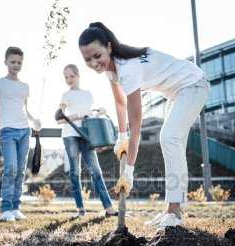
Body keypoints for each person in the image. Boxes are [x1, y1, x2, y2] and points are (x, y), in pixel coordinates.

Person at [78, 22, 210, 229]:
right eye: (87, 59)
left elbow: (136, 128)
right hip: (176, 94)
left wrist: (128, 171)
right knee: (173, 144)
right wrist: (121, 137)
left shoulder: (128, 69)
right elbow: (120, 103)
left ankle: (174, 213)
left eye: (97, 56)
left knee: (169, 138)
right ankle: (172, 210)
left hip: (193, 84)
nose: (94, 63)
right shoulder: (111, 70)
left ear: (109, 47)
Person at [55, 64, 118, 217]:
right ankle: (80, 210)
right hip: (71, 135)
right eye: (66, 77)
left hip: (87, 135)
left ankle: (109, 208)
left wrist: (99, 111)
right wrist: (77, 115)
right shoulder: (65, 95)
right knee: (75, 173)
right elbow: (59, 119)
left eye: (71, 76)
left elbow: (90, 115)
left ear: (78, 76)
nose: (69, 79)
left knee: (96, 171)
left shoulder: (88, 94)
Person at [0, 46, 42, 222]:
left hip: (24, 130)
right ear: (6, 62)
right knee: (10, 168)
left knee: (20, 171)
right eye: (12, 62)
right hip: (6, 131)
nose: (16, 65)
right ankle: (5, 209)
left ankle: (15, 207)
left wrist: (34, 120)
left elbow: (25, 109)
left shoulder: (24, 87)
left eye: (19, 62)